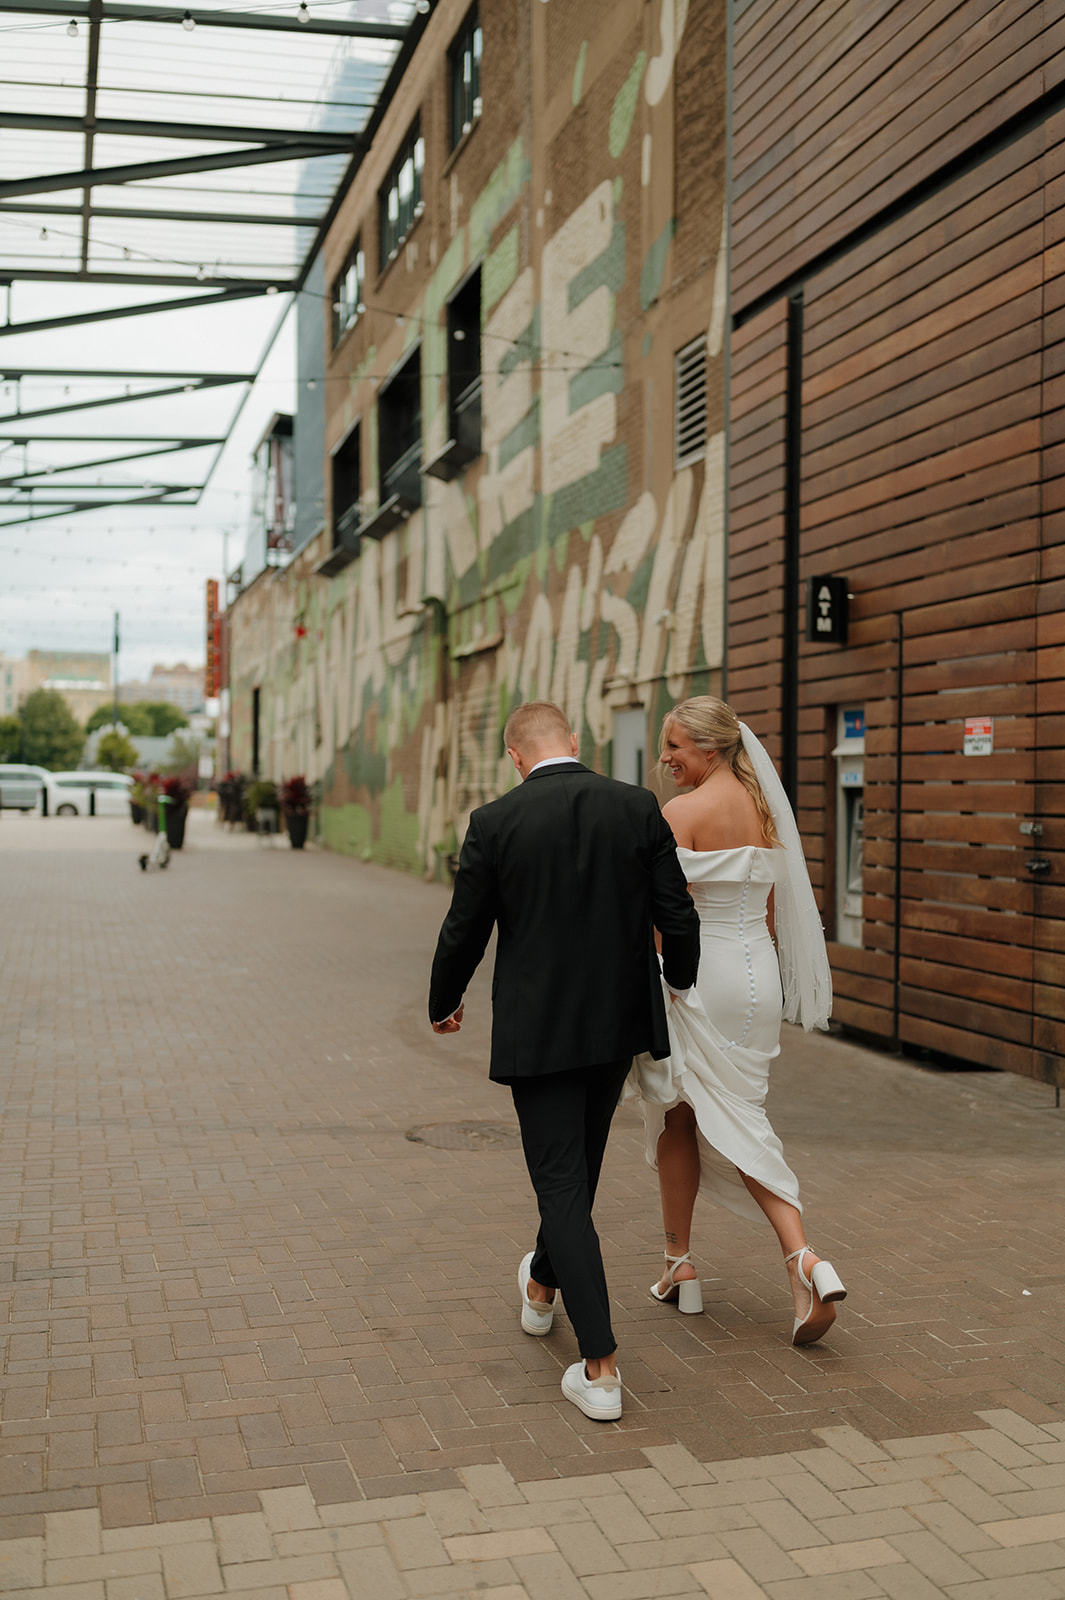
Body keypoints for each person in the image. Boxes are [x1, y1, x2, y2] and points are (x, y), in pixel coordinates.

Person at [429, 700, 701, 1420]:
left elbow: (464, 927)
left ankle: (601, 1367)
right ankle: (541, 1285)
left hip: (539, 1034)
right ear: (574, 741)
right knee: (574, 1177)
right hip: (615, 1028)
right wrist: (678, 981)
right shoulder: (636, 806)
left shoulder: (495, 822)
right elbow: (676, 912)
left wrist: (444, 1000)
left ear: (515, 757)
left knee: (560, 1186)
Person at [636, 695, 846, 1345]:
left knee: (680, 1112)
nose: (664, 758)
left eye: (675, 746)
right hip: (756, 973)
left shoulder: (681, 813)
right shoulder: (764, 809)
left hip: (699, 973)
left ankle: (777, 1256)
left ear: (710, 746)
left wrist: (659, 980)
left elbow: (666, 913)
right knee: (733, 1109)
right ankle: (702, 1265)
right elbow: (773, 910)